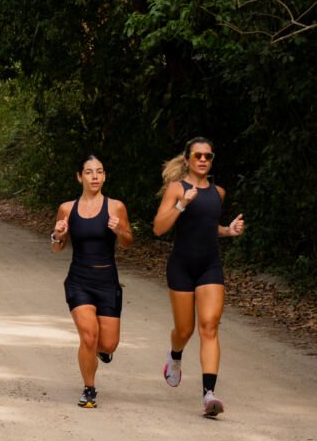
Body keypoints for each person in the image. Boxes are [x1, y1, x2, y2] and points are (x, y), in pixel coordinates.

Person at [153, 137, 245, 417]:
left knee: (209, 327)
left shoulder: (219, 193)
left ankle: (209, 395)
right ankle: (175, 356)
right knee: (185, 330)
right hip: (181, 266)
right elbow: (159, 228)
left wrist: (227, 231)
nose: (203, 159)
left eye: (208, 155)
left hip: (210, 266)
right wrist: (181, 204)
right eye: (197, 155)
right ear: (187, 159)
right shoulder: (177, 188)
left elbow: (207, 226)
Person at [51, 154, 133, 408]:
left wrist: (119, 229)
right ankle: (89, 388)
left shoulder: (115, 207)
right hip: (79, 280)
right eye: (89, 172)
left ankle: (100, 350)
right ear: (79, 177)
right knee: (88, 336)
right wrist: (57, 234)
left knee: (108, 344)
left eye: (99, 172)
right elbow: (58, 248)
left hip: (107, 281)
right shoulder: (67, 208)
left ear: (104, 176)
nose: (95, 176)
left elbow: (128, 242)